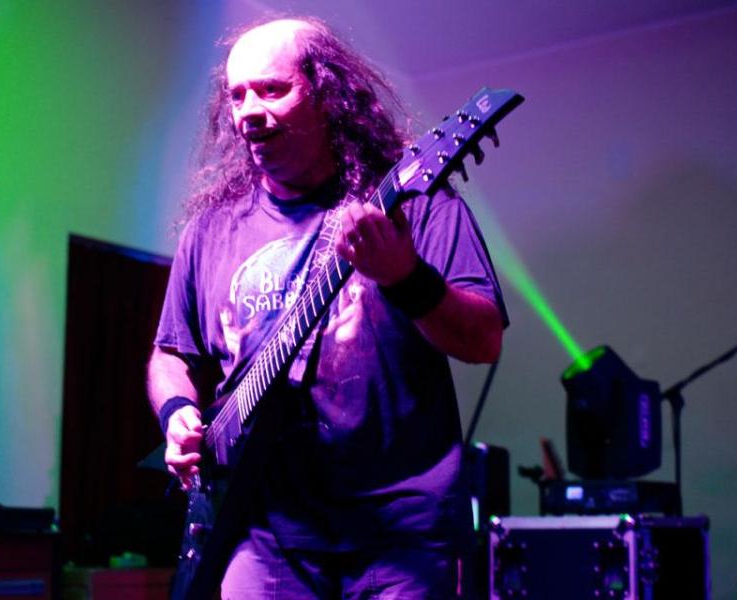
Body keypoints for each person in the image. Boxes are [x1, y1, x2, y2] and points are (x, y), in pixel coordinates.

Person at [147, 17, 508, 599]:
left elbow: (484, 339)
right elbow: (170, 353)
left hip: (401, 533)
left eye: (273, 89)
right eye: (238, 96)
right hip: (263, 532)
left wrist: (406, 278)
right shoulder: (210, 232)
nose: (249, 111)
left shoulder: (414, 206)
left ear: (327, 94)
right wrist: (176, 412)